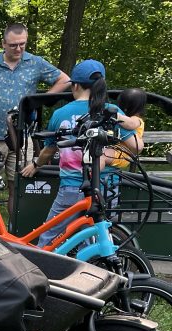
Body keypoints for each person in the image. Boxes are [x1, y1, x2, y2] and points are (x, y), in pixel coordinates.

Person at [20, 59, 138, 246]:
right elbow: (135, 146)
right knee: (94, 235)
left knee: (49, 236)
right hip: (106, 188)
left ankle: (39, 262)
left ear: (75, 85)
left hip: (72, 187)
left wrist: (35, 165)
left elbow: (49, 150)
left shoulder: (61, 114)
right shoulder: (111, 112)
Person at [0, 22, 70, 213]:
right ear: (3, 44)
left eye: (22, 44)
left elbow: (65, 80)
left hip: (22, 138)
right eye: (13, 45)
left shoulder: (35, 63)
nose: (18, 48)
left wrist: (39, 100)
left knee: (18, 187)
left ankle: (14, 229)